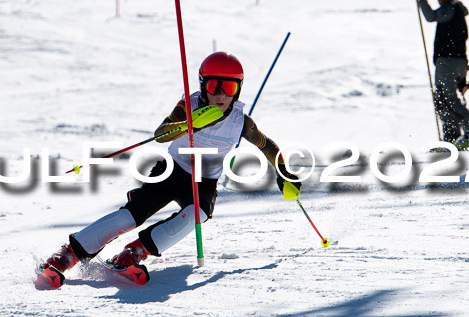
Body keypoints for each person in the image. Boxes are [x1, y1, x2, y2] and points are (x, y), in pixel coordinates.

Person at [38, 52, 302, 287]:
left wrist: (283, 171)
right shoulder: (190, 105)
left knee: (197, 214)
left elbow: (267, 145)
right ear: (203, 85)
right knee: (132, 216)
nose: (221, 94)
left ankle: (134, 254)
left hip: (205, 181)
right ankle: (66, 256)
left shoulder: (240, 122)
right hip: (172, 170)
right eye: (214, 85)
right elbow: (160, 134)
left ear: (238, 90)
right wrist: (189, 124)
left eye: (229, 87)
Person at [411, 0, 469, 147]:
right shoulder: (458, 10)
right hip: (459, 61)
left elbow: (430, 16)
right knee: (446, 98)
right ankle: (455, 136)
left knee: (445, 99)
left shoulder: (450, 8)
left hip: (447, 61)